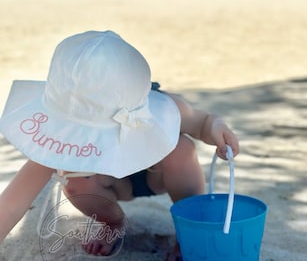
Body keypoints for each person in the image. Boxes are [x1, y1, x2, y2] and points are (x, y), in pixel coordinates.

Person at [0, 30, 239, 260]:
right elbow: (11, 203)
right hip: (110, 183)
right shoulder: (58, 134)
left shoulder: (165, 110)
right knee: (72, 178)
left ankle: (191, 229)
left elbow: (203, 122)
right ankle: (112, 222)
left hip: (155, 174)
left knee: (182, 149)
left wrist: (216, 127)